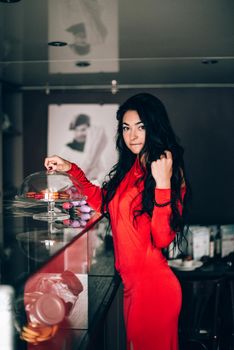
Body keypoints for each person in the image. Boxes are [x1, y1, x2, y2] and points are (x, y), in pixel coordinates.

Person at [44, 93, 188, 350]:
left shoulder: (165, 168)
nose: (132, 135)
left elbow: (163, 238)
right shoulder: (130, 169)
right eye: (126, 128)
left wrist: (164, 185)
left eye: (141, 127)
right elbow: (103, 204)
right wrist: (71, 170)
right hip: (132, 287)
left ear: (154, 126)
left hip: (154, 289)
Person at [60, 113, 107, 182]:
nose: (80, 133)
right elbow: (61, 176)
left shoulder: (94, 148)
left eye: (83, 130)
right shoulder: (66, 150)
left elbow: (103, 170)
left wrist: (96, 181)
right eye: (77, 130)